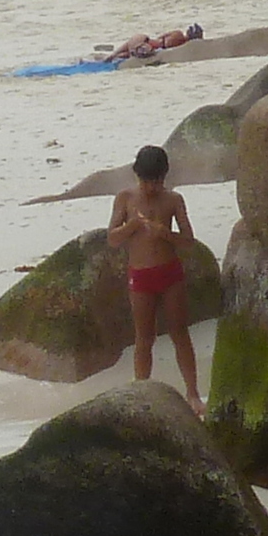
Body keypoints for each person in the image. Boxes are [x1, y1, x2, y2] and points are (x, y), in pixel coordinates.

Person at [108, 144, 200, 408]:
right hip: (140, 276)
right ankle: (142, 392)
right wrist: (133, 226)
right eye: (147, 181)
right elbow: (112, 239)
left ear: (164, 178)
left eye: (157, 181)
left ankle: (192, 393)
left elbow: (188, 241)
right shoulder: (125, 198)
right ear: (138, 176)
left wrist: (165, 234)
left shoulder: (173, 200)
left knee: (179, 332)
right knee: (143, 337)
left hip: (170, 272)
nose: (152, 187)